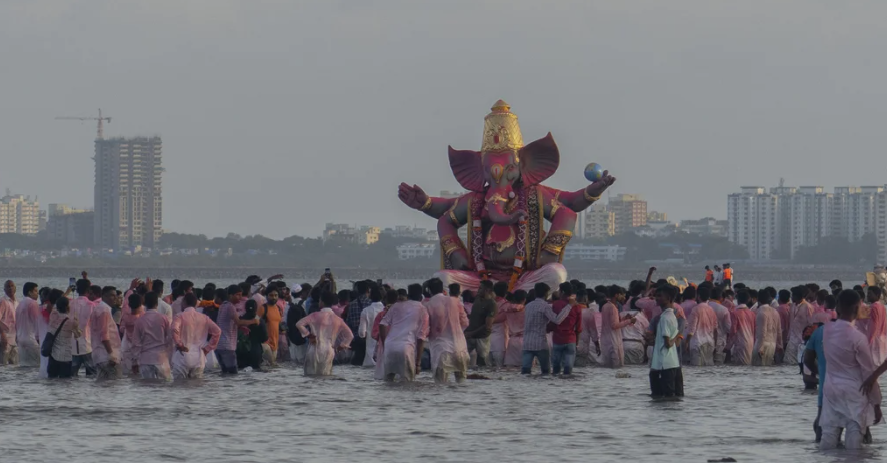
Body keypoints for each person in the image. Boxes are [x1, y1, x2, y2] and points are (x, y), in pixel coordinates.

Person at [819, 290, 883, 451]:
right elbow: (867, 373)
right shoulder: (857, 337)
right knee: (854, 433)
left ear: (838, 307)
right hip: (855, 390)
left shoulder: (826, 331)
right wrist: (876, 403)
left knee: (829, 433)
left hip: (831, 388)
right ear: (857, 308)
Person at [379, 284, 430, 382]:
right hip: (406, 349)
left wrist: (385, 343)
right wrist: (418, 363)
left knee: (387, 382)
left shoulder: (396, 306)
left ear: (408, 294)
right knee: (407, 384)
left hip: (390, 347)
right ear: (421, 296)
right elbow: (421, 338)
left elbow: (382, 325)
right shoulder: (423, 310)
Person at [295, 290, 353, 376]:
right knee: (326, 376)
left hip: (314, 348)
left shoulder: (314, 315)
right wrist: (342, 346)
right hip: (329, 350)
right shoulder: (338, 319)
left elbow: (299, 324)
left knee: (310, 376)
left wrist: (309, 335)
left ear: (321, 302)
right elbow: (350, 335)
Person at [424, 278, 470, 383]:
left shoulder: (428, 305)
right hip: (460, 348)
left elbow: (425, 330)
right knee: (462, 384)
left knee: (440, 386)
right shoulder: (455, 301)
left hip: (441, 349)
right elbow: (465, 323)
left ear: (429, 290)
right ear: (442, 289)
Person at [521, 283, 573, 375]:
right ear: (546, 294)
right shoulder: (545, 307)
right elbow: (557, 320)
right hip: (540, 343)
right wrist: (569, 306)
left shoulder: (528, 306)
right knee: (545, 372)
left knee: (525, 372)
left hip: (527, 343)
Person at [171, 293, 221, 379]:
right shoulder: (204, 317)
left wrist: (179, 344)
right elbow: (218, 331)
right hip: (199, 356)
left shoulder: (179, 316)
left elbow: (174, 329)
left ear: (184, 302)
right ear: (195, 304)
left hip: (183, 354)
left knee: (179, 387)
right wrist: (207, 348)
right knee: (197, 387)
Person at [214, 285, 258, 375]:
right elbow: (238, 321)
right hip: (227, 346)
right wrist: (254, 321)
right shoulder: (230, 307)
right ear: (230, 295)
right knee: (233, 374)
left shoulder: (223, 305)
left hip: (219, 345)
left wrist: (241, 327)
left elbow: (226, 322)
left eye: (241, 295)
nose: (240, 297)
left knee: (225, 373)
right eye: (238, 295)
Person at [649, 285, 681, 399]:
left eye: (659, 296)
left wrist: (677, 335)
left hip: (663, 364)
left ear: (668, 298)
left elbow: (668, 343)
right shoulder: (671, 316)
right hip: (672, 363)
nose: (656, 298)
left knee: (661, 398)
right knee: (672, 398)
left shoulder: (665, 318)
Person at [131, 292, 172, 380]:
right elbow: (170, 338)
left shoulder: (139, 320)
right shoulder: (164, 318)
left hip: (145, 360)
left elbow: (136, 344)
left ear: (144, 304)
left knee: (147, 389)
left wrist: (135, 361)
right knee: (163, 388)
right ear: (157, 304)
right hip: (161, 359)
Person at [547, 282, 583, 375]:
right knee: (568, 368)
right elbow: (578, 327)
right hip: (571, 339)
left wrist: (547, 329)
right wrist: (577, 342)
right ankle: (567, 387)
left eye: (559, 290)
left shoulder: (556, 304)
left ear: (562, 292)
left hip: (558, 339)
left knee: (556, 368)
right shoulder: (577, 306)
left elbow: (553, 321)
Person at [89, 286, 123, 380]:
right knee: (114, 385)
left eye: (116, 296)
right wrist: (111, 354)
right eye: (112, 296)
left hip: (100, 355)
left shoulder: (100, 308)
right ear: (104, 296)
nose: (115, 298)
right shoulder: (104, 310)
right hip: (106, 356)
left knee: (103, 385)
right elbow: (104, 335)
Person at [599, 285, 635, 368]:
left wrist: (624, 319)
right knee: (617, 368)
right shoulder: (612, 307)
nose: (624, 297)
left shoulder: (605, 306)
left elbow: (611, 322)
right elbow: (614, 325)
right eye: (622, 295)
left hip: (605, 341)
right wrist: (630, 321)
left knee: (607, 368)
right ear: (616, 295)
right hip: (613, 341)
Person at [464, 280, 495, 367]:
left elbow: (488, 325)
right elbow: (474, 318)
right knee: (461, 358)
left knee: (482, 364)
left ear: (487, 290)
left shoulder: (492, 304)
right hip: (470, 335)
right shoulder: (477, 299)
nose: (478, 290)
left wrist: (471, 333)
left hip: (482, 338)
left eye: (480, 288)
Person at [47, 297, 79, 379]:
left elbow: (55, 309)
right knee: (65, 382)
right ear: (67, 307)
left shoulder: (52, 317)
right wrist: (76, 322)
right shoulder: (72, 322)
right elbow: (77, 335)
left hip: (53, 354)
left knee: (51, 380)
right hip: (66, 356)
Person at [69, 279, 96, 376]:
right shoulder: (91, 305)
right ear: (89, 291)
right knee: (92, 374)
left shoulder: (70, 303)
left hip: (73, 344)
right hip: (87, 344)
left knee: (72, 376)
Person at [686, 286, 717, 366]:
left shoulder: (696, 309)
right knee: (708, 371)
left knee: (696, 370)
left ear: (698, 296)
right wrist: (715, 344)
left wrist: (686, 343)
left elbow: (691, 330)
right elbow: (715, 329)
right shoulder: (711, 309)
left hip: (697, 344)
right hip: (710, 344)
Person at [752, 288, 783, 366]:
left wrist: (760, 347)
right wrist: (780, 346)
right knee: (768, 370)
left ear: (758, 301)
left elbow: (762, 332)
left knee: (757, 369)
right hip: (773, 344)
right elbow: (779, 331)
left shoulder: (761, 312)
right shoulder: (775, 312)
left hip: (762, 344)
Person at [786, 286, 814, 372]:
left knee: (800, 364)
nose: (791, 297)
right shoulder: (792, 306)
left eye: (793, 295)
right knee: (788, 363)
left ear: (798, 296)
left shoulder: (808, 307)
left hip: (802, 341)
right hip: (791, 340)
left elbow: (811, 324)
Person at [15, 282, 41, 367]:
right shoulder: (33, 303)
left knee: (24, 365)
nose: (38, 293)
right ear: (30, 292)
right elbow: (37, 322)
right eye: (36, 291)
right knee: (36, 365)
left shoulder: (20, 304)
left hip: (20, 339)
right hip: (31, 339)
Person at [358, 287, 385, 367]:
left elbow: (361, 333)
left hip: (370, 352)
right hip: (384, 350)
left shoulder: (366, 311)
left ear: (370, 296)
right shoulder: (387, 310)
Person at [345, 281, 371, 366]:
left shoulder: (352, 305)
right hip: (370, 340)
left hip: (357, 340)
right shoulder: (371, 303)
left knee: (357, 364)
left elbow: (348, 324)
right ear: (368, 290)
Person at [728, 290, 755, 365]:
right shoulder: (752, 313)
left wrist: (728, 347)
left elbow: (733, 331)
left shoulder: (735, 313)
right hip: (751, 343)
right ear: (748, 299)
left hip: (740, 343)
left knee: (740, 367)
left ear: (737, 299)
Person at [257, 287, 283, 367]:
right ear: (266, 296)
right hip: (265, 343)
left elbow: (278, 324)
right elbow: (255, 323)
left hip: (275, 343)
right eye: (271, 295)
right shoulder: (262, 308)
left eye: (276, 295)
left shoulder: (278, 308)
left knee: (270, 369)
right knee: (273, 365)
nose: (274, 297)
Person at [286, 285, 309, 365]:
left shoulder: (287, 306)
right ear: (301, 293)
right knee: (303, 360)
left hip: (291, 336)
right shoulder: (305, 304)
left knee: (294, 360)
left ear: (292, 294)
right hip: (303, 336)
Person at [504, 290, 527, 367]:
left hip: (512, 341)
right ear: (524, 299)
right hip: (524, 341)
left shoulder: (508, 309)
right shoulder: (526, 310)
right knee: (526, 369)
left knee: (510, 370)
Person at [709, 287, 732, 365]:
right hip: (720, 341)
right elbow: (728, 328)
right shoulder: (724, 309)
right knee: (718, 365)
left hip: (705, 340)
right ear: (721, 298)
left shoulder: (705, 306)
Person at [865, 287, 887, 367]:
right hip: (882, 339)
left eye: (870, 294)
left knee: (871, 367)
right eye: (867, 294)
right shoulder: (882, 307)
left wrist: (870, 340)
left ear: (877, 295)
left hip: (874, 339)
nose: (867, 296)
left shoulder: (873, 307)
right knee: (878, 366)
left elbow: (875, 325)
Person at [0, 280, 19, 365]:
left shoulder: (17, 302)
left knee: (15, 365)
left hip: (14, 339)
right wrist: (2, 335)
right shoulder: (3, 301)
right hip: (5, 338)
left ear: (15, 288)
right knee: (3, 364)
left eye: (12, 286)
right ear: (4, 289)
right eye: (8, 286)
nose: (10, 288)